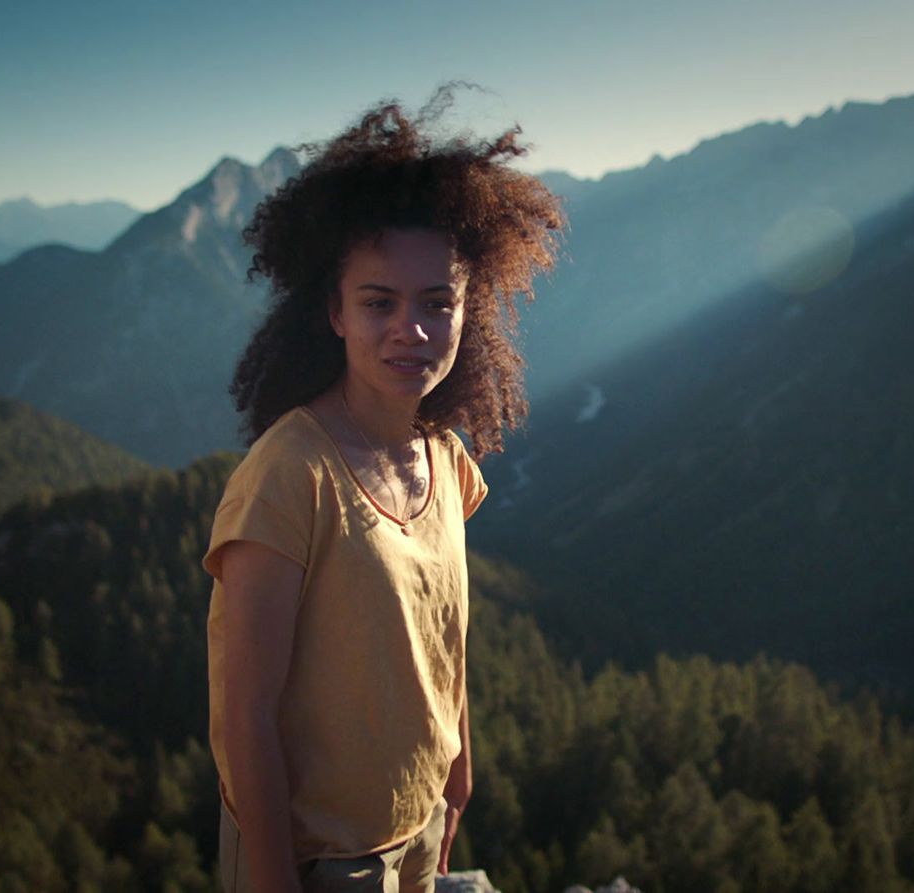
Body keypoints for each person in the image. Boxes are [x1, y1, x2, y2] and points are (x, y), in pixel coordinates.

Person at [201, 94, 564, 893]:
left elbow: (443, 629)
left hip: (416, 829)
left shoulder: (445, 456)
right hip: (314, 858)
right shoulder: (289, 474)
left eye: (439, 303)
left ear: (471, 311)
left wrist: (457, 769)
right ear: (334, 310)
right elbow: (245, 712)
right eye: (379, 303)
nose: (413, 329)